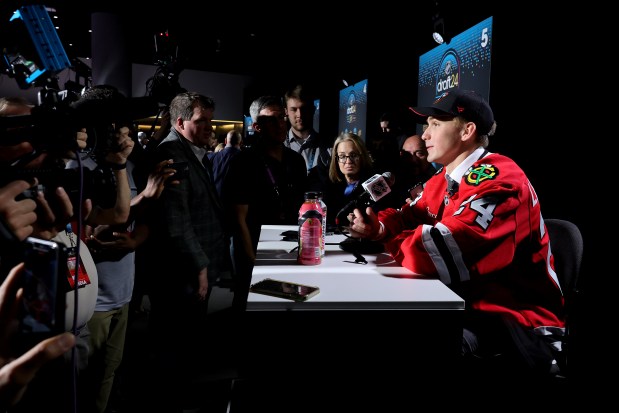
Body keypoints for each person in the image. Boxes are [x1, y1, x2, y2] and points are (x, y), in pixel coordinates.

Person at [347, 89, 565, 380]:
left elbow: (436, 252)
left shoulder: (501, 181)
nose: (425, 135)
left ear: (467, 130)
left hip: (514, 323)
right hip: (466, 304)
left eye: (435, 124)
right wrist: (379, 227)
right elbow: (405, 215)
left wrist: (387, 239)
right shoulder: (443, 179)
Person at [145, 91, 231, 411]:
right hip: (183, 271)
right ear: (180, 122)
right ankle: (174, 400)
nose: (210, 127)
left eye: (211, 120)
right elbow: (177, 223)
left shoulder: (189, 150)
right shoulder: (171, 155)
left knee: (186, 339)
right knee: (177, 341)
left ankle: (179, 393)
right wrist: (200, 269)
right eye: (202, 121)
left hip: (192, 267)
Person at [223, 95, 307, 312]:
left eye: (281, 117)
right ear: (257, 126)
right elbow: (238, 218)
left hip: (290, 248)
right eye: (271, 120)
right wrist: (253, 260)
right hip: (255, 249)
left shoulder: (296, 161)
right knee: (251, 306)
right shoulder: (244, 162)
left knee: (287, 303)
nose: (280, 124)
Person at [283, 84, 331, 191]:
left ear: (313, 110)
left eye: (303, 108)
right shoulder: (280, 146)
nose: (299, 114)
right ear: (286, 112)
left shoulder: (328, 147)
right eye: (294, 109)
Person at [390, 134, 438, 203]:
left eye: (420, 153)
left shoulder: (438, 182)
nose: (413, 159)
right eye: (407, 155)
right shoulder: (394, 180)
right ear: (401, 155)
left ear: (429, 154)